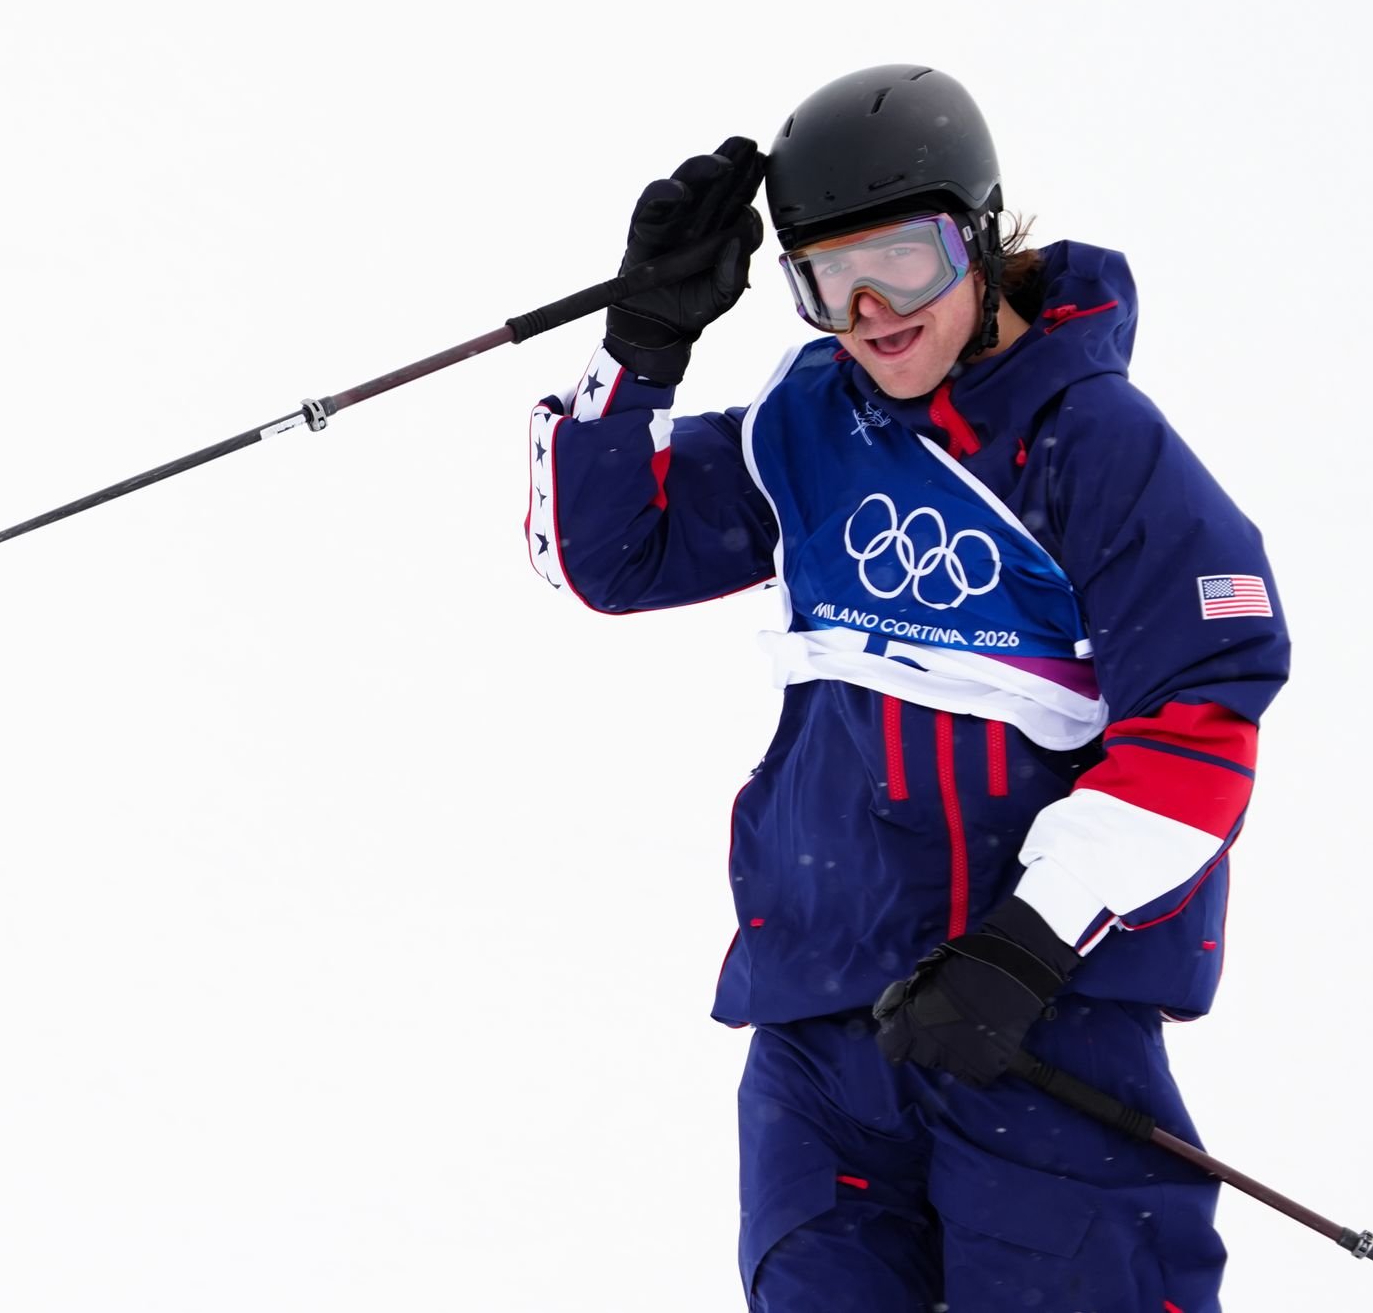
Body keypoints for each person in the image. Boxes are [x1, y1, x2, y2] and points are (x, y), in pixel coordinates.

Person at [523, 63, 1290, 1313]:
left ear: (980, 237)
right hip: (826, 1028)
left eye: (908, 260)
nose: (873, 310)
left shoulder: (1091, 443)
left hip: (1030, 1027)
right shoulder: (809, 423)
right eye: (831, 278)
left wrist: (1026, 948)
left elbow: (1201, 719)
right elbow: (614, 555)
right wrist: (641, 347)